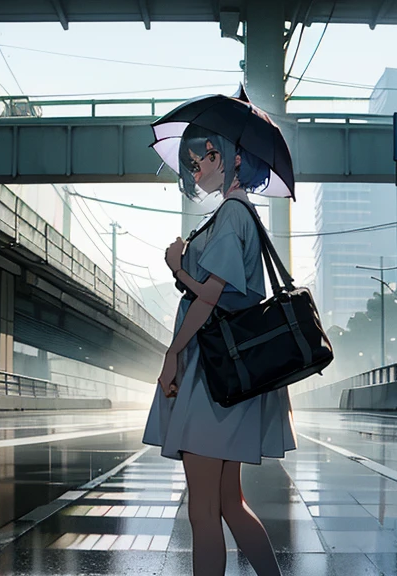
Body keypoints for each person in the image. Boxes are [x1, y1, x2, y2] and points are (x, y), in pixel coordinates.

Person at [141, 123, 297, 576]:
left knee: (203, 510)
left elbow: (209, 297)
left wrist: (177, 270)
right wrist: (187, 268)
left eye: (208, 156)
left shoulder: (232, 214)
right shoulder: (238, 214)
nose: (198, 168)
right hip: (228, 375)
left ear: (234, 159)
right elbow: (221, 291)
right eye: (193, 161)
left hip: (213, 377)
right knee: (229, 502)